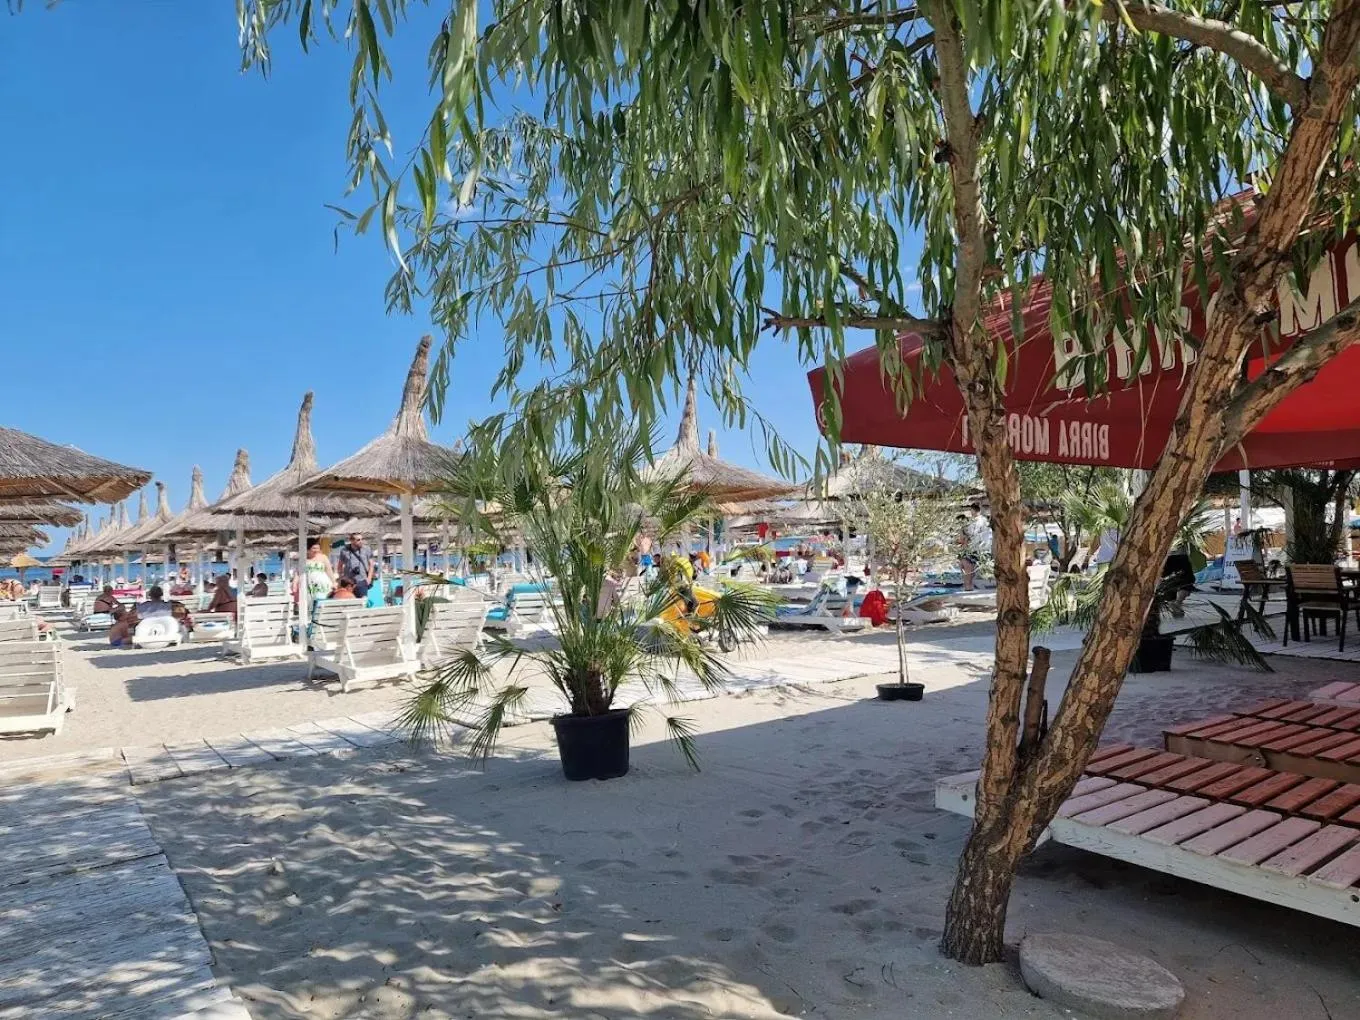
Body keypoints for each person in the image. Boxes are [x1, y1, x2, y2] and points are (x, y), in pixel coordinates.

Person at [337, 533, 374, 598]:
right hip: (348, 582)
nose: (361, 541)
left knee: (363, 601)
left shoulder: (366, 549)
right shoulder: (344, 550)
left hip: (362, 581)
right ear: (351, 541)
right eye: (358, 540)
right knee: (348, 601)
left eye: (361, 539)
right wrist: (341, 578)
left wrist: (369, 578)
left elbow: (371, 564)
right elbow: (340, 565)